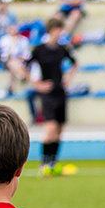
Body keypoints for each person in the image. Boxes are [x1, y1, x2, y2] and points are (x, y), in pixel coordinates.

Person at [30, 17, 77, 176]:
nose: (60, 33)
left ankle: (53, 163)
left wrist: (68, 80)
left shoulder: (62, 49)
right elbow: (24, 66)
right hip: (47, 93)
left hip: (60, 92)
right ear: (51, 30)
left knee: (59, 129)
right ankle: (44, 164)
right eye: (58, 30)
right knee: (50, 128)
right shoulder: (39, 50)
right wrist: (36, 84)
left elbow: (74, 63)